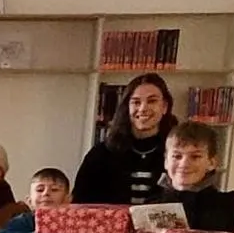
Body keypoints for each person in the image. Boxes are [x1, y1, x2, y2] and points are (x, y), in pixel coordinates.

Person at [74, 73, 178, 205]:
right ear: (127, 107)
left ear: (164, 107)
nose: (143, 108)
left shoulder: (178, 155)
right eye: (136, 102)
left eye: (152, 101)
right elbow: (79, 205)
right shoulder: (101, 154)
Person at [156, 121, 234, 232]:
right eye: (177, 156)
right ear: (166, 161)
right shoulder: (152, 204)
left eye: (195, 157)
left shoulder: (230, 206)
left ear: (212, 162)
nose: (184, 164)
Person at [0, 168, 70, 233]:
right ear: (29, 201)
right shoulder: (24, 220)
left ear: (67, 199)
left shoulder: (73, 222)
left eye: (54, 189)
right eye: (40, 190)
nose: (46, 193)